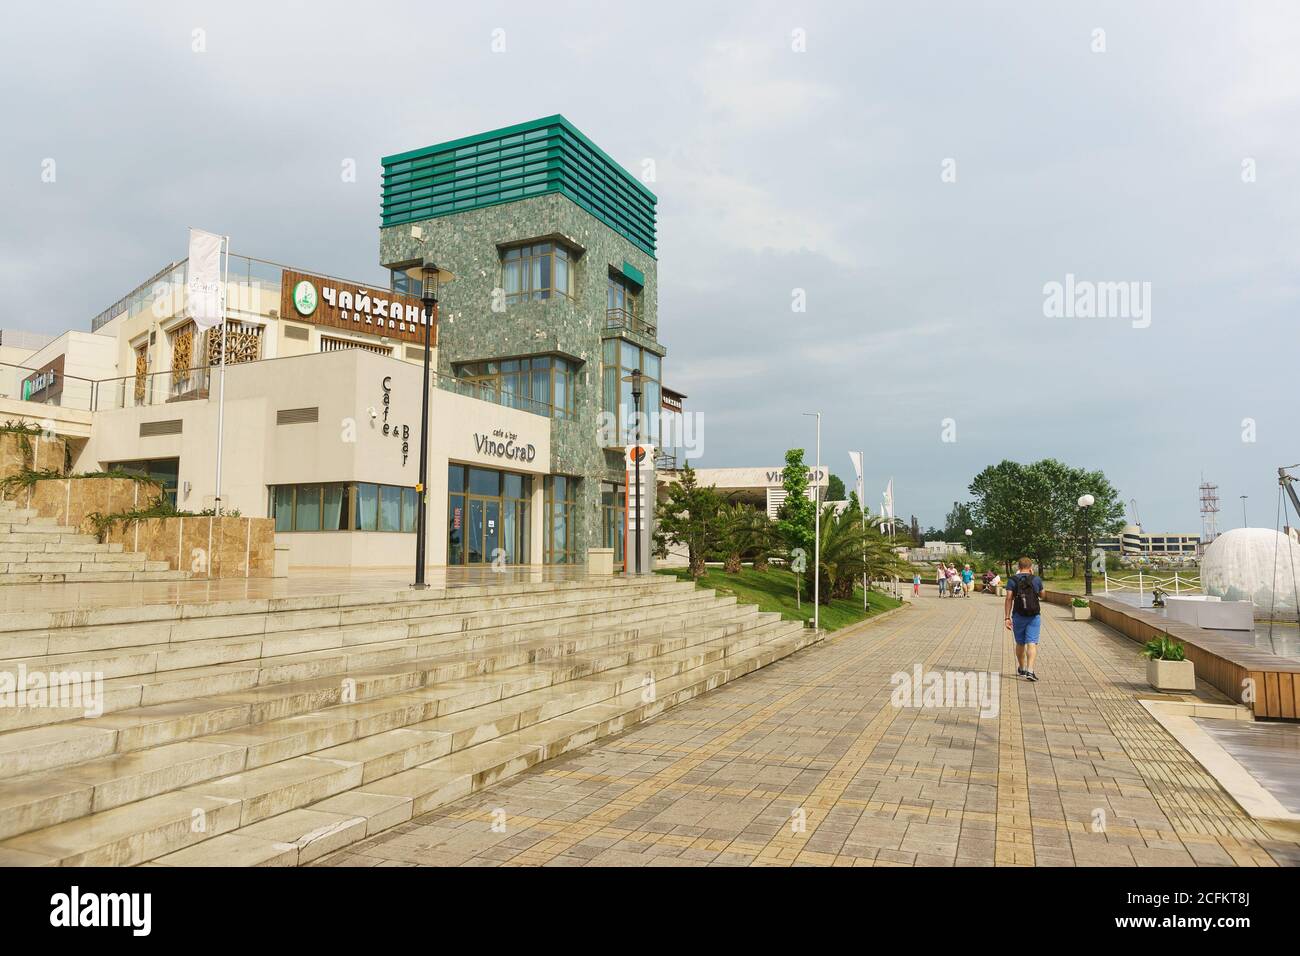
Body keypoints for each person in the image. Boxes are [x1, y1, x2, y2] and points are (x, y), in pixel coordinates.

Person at [1004, 557, 1044, 681]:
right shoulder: (1036, 579)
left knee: (1020, 643)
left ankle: (1022, 668)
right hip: (1034, 615)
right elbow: (1042, 595)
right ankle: (1030, 671)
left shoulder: (1012, 580)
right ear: (1031, 567)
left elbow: (1009, 598)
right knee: (1032, 642)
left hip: (1018, 615)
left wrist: (1007, 617)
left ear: (1018, 567)